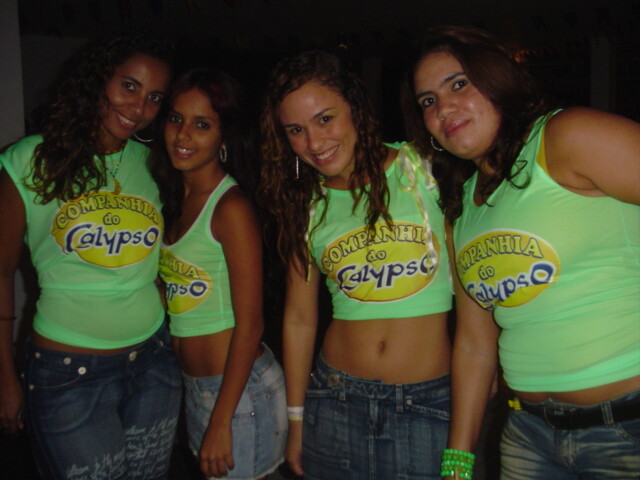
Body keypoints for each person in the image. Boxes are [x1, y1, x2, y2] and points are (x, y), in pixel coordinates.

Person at [402, 24, 640, 480]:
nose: (443, 107)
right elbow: (474, 345)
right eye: (427, 100)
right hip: (529, 435)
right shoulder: (462, 208)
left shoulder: (565, 136)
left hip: (627, 426)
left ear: (496, 79)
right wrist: (458, 462)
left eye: (458, 84)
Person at [260, 50, 453, 479]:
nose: (314, 143)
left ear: (356, 108)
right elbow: (299, 319)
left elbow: (475, 286)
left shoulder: (425, 170)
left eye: (325, 119)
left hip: (428, 402)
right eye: (296, 130)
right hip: (334, 400)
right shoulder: (307, 205)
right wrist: (296, 420)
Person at [0, 32, 182, 480]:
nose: (139, 108)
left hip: (154, 362)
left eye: (155, 97)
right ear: (98, 80)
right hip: (68, 376)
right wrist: (4, 376)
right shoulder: (27, 160)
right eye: (129, 86)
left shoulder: (155, 164)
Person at [153, 68, 287, 480]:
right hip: (198, 388)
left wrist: (221, 420)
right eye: (176, 118)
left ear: (224, 136)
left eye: (202, 125)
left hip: (239, 393)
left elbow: (251, 323)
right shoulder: (173, 199)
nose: (183, 135)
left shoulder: (230, 208)